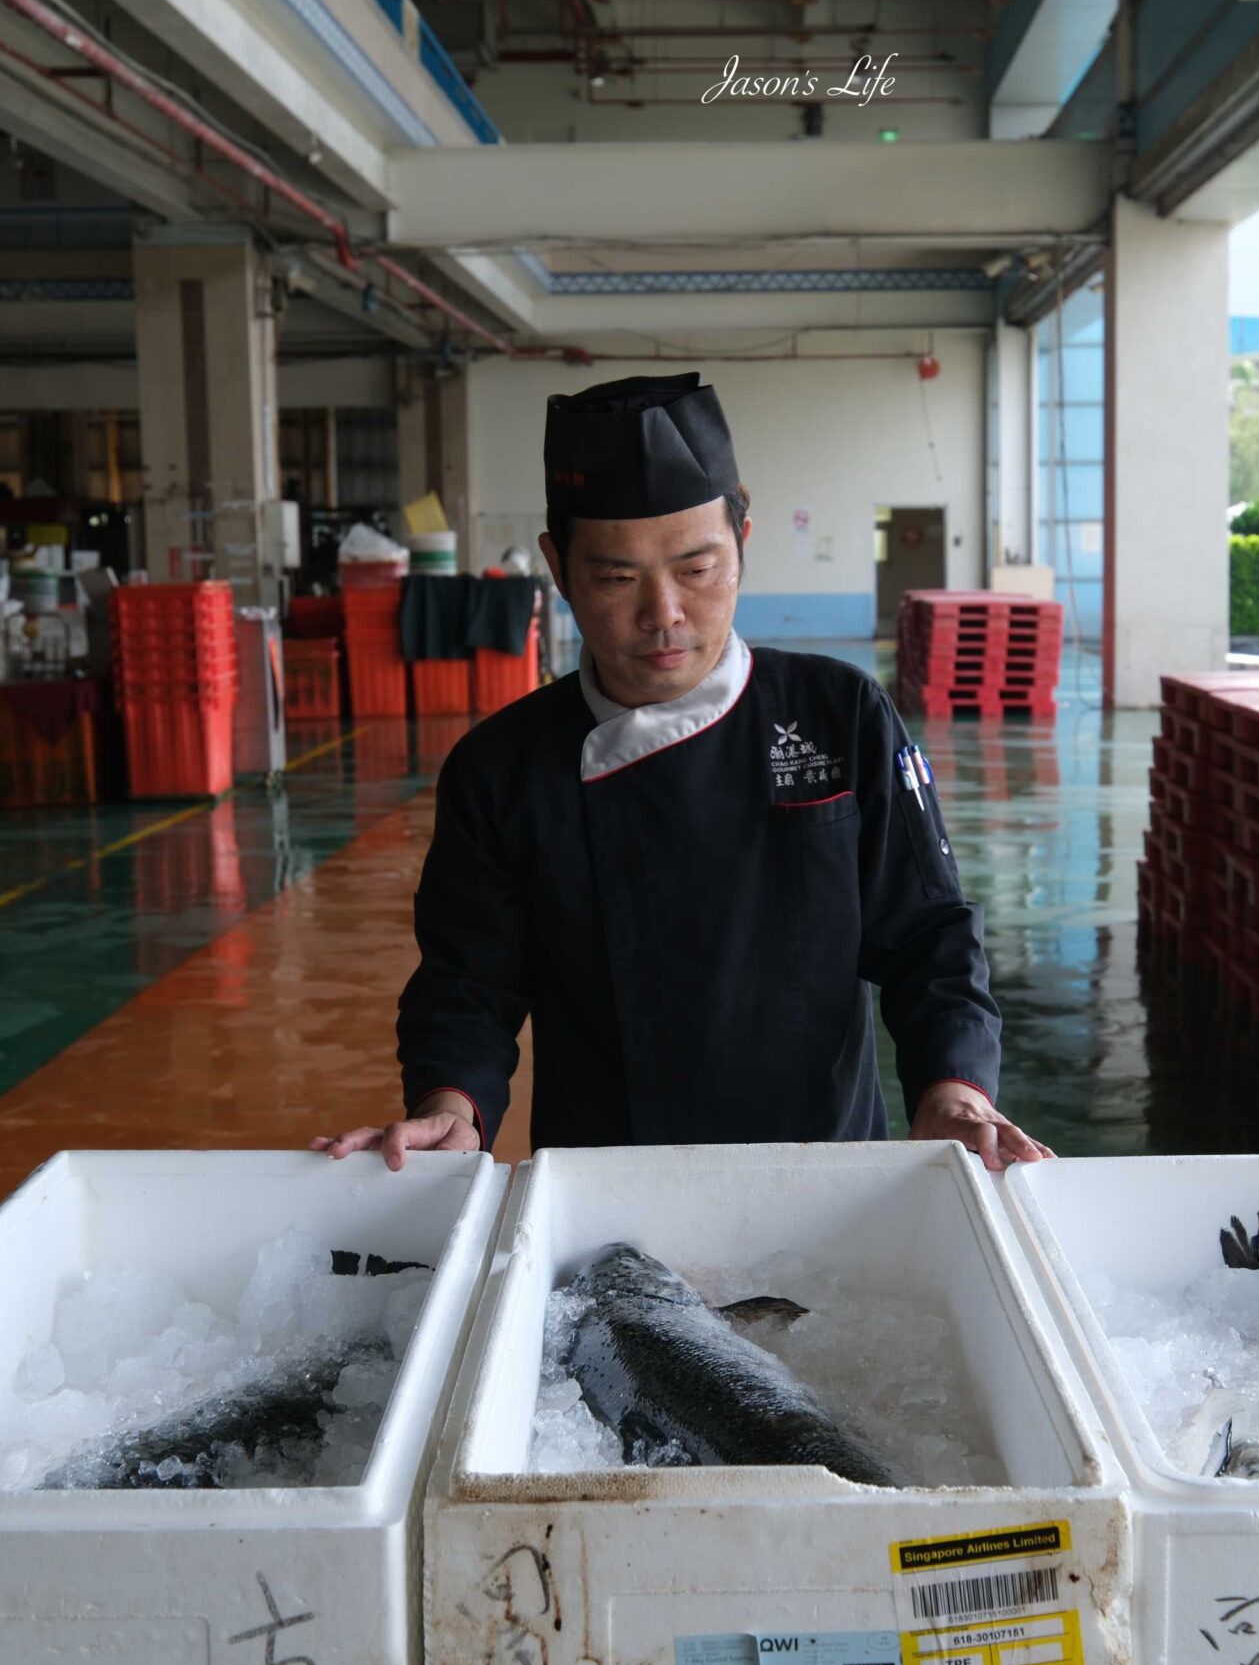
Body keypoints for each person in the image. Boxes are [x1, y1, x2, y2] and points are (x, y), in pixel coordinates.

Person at [313, 372, 1048, 1172]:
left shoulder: (840, 716)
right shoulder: (502, 768)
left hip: (828, 1177)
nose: (662, 613)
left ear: (743, 539)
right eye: (616, 577)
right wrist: (450, 1107)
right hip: (605, 1186)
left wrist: (953, 1092)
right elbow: (468, 985)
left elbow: (928, 937)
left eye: (697, 569)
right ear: (558, 569)